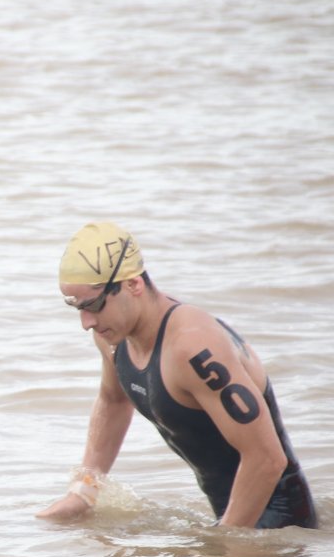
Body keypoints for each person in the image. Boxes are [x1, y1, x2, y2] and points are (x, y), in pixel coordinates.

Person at [37, 222, 318, 529]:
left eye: (93, 305)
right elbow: (113, 401)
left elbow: (267, 459)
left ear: (133, 285)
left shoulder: (193, 346)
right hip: (229, 516)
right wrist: (84, 492)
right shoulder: (113, 336)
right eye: (76, 308)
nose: (86, 322)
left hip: (277, 524)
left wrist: (225, 544)